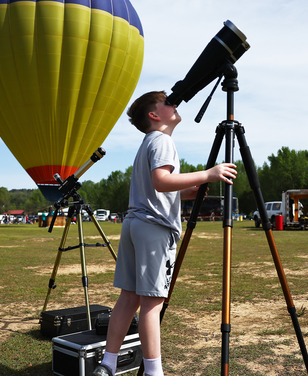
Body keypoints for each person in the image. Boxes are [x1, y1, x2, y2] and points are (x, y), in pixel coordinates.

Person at [92, 91, 237, 376]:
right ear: (154, 115)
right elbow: (161, 182)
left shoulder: (148, 143)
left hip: (135, 223)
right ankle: (154, 372)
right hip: (153, 230)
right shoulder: (163, 141)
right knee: (151, 303)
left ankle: (108, 364)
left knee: (128, 298)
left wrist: (184, 192)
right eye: (168, 102)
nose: (175, 104)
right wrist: (208, 174)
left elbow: (159, 189)